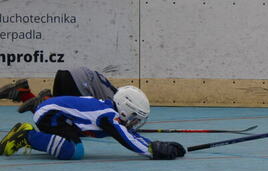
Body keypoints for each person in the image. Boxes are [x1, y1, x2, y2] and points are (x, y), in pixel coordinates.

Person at [0, 86, 185, 160]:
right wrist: (153, 151)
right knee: (73, 151)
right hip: (50, 115)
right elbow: (125, 138)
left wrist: (156, 144)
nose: (135, 122)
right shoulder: (108, 116)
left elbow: (129, 134)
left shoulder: (109, 111)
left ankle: (30, 135)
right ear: (125, 109)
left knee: (74, 148)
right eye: (135, 117)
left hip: (55, 113)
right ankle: (27, 135)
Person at [0, 67, 118, 114]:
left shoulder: (118, 94)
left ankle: (23, 93)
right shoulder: (115, 104)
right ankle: (41, 101)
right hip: (79, 83)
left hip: (67, 75)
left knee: (55, 110)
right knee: (65, 121)